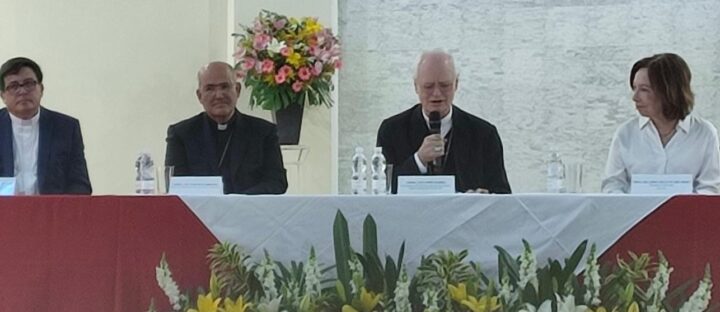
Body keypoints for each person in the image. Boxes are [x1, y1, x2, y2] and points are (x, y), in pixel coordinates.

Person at [376, 50, 511, 194]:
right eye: (428, 86)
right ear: (416, 86)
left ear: (456, 84)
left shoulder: (484, 134)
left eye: (445, 85)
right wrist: (419, 160)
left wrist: (485, 197)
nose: (437, 94)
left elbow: (503, 194)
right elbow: (383, 190)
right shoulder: (391, 130)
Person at [602, 53, 720, 194]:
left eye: (644, 90)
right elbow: (612, 185)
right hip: (638, 214)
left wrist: (680, 209)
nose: (635, 97)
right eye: (634, 88)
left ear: (669, 91)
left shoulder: (704, 133)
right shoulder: (625, 134)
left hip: (687, 214)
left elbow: (710, 188)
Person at [165, 62, 288, 194]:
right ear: (199, 96)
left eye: (225, 87)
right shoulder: (181, 134)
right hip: (199, 212)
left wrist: (236, 202)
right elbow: (175, 184)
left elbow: (277, 182)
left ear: (237, 90)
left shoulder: (263, 132)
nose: (219, 95)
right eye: (210, 89)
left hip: (249, 211)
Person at [0, 57, 92, 194]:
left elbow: (80, 184)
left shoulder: (66, 128)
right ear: (3, 96)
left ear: (41, 89)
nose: (22, 91)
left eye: (29, 84)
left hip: (53, 212)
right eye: (13, 86)